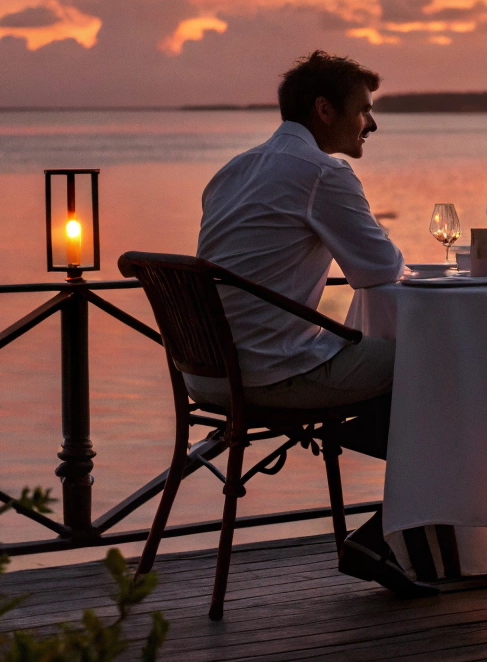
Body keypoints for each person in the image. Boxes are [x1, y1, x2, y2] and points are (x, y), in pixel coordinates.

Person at [189, 49, 432, 597]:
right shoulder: (322, 173)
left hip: (206, 372)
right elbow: (379, 271)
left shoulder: (235, 170)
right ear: (325, 110)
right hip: (274, 372)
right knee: (451, 370)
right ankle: (392, 533)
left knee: (421, 386)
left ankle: (414, 509)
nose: (371, 123)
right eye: (363, 109)